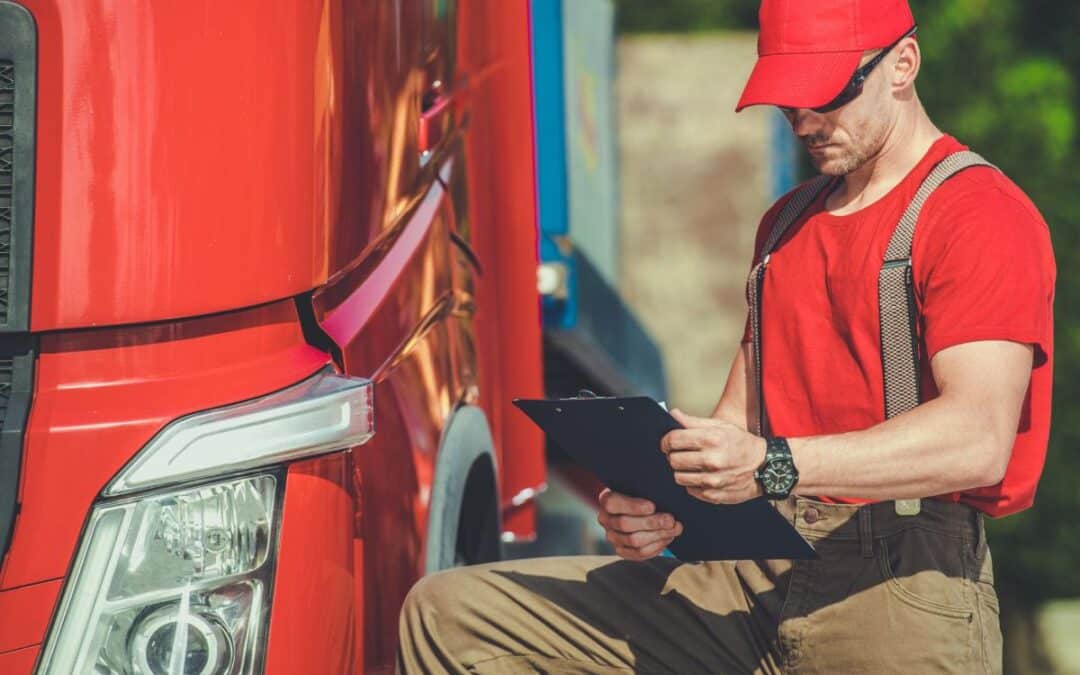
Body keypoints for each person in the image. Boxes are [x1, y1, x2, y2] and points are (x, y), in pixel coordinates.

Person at [396, 0, 1056, 672]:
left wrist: (772, 465)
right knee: (451, 615)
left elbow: (978, 440)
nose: (803, 120)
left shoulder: (977, 213)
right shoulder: (782, 228)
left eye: (823, 94)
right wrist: (662, 504)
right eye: (786, 101)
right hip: (749, 573)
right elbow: (736, 425)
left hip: (901, 585)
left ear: (902, 65)